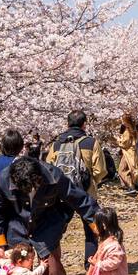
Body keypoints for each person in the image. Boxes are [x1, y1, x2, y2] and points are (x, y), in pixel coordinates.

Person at [47, 109, 108, 265]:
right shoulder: (90, 142)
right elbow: (100, 170)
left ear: (67, 124)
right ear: (84, 124)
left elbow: (48, 169)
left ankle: (51, 264)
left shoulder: (56, 144)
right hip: (86, 193)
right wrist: (92, 181)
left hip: (62, 194)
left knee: (55, 230)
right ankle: (90, 264)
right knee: (91, 230)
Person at [116, 114, 138, 191]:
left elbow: (125, 143)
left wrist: (118, 140)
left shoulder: (127, 131)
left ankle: (130, 186)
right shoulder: (133, 129)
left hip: (127, 153)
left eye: (122, 120)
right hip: (132, 152)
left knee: (121, 170)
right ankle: (135, 184)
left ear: (125, 121)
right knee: (129, 168)